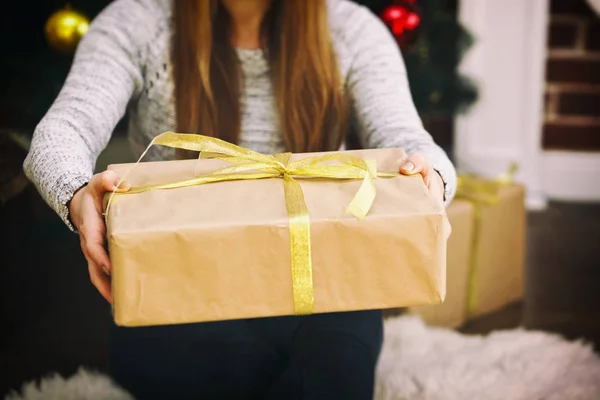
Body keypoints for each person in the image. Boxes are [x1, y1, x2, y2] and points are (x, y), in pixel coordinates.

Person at [24, 0, 456, 398]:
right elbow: (60, 135)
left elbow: (409, 142)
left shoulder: (350, 30)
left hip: (319, 287)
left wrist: (432, 176)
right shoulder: (139, 21)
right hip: (178, 289)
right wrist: (76, 197)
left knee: (334, 359)